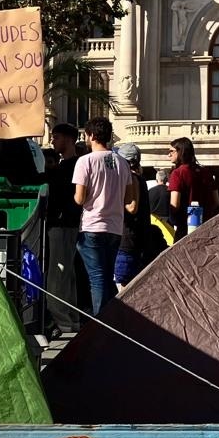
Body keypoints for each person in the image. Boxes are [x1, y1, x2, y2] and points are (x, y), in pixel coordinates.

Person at [73, 117, 138, 313]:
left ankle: (100, 324)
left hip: (92, 225)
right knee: (107, 276)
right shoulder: (122, 163)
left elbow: (80, 198)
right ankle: (111, 321)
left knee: (97, 278)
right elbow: (129, 200)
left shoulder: (85, 161)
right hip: (115, 227)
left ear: (91, 135)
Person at [44, 123, 86, 332]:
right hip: (68, 223)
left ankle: (62, 320)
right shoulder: (71, 165)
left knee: (58, 274)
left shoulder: (72, 166)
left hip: (62, 223)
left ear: (69, 139)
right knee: (66, 274)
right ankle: (71, 318)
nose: (52, 140)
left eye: (57, 137)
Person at [113, 143, 165, 289]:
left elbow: (132, 207)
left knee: (123, 289)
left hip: (127, 242)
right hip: (136, 242)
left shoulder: (131, 177)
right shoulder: (139, 178)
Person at [164, 136, 219, 238]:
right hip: (207, 228)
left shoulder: (177, 173)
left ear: (181, 152)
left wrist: (173, 220)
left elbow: (175, 204)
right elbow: (216, 202)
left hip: (185, 229)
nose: (168, 155)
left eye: (171, 151)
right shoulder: (206, 172)